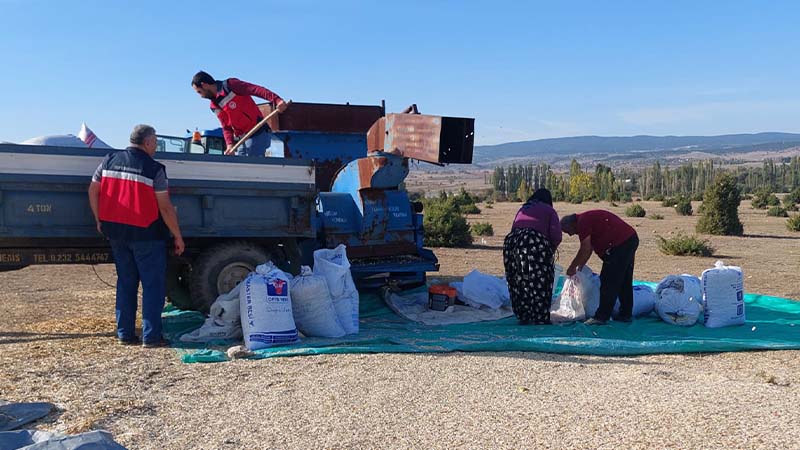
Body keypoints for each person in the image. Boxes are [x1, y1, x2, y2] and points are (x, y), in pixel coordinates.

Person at [88, 125, 185, 348]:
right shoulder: (154, 169)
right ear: (148, 142)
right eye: (156, 142)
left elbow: (93, 190)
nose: (157, 146)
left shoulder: (109, 160)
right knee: (152, 286)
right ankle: (151, 337)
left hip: (116, 232)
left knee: (126, 283)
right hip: (146, 234)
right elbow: (165, 208)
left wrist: (99, 219)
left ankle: (125, 334)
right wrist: (178, 236)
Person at [560, 210, 639, 325]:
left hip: (620, 244)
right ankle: (625, 314)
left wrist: (572, 267)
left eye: (568, 231)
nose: (571, 234)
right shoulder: (585, 219)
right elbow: (590, 247)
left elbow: (585, 248)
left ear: (572, 224)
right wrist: (581, 264)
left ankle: (601, 316)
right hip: (629, 239)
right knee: (624, 280)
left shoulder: (583, 222)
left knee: (608, 280)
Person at [191, 71, 288, 157]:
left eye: (199, 92)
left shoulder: (230, 85)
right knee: (240, 170)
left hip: (257, 132)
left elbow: (256, 89)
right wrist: (229, 144)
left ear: (204, 85)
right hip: (241, 140)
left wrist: (277, 100)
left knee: (251, 168)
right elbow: (226, 127)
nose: (201, 96)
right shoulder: (214, 106)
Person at [503, 188, 562, 325]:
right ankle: (539, 317)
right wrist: (550, 251)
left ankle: (524, 315)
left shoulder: (524, 208)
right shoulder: (549, 210)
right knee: (539, 281)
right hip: (533, 243)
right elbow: (556, 235)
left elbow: (514, 228)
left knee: (519, 280)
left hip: (512, 243)